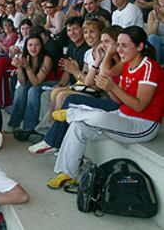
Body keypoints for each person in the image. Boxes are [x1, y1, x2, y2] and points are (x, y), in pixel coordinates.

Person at [47, 26, 164, 188]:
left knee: (98, 117)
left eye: (124, 45)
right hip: (123, 115)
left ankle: (72, 113)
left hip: (143, 124)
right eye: (118, 45)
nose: (119, 49)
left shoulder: (150, 68)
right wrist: (109, 52)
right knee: (78, 126)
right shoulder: (126, 63)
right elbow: (106, 72)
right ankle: (68, 174)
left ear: (139, 47)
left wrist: (114, 88)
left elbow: (139, 106)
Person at [29, 25, 124, 154]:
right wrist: (98, 61)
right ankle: (53, 136)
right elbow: (89, 80)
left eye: (106, 41)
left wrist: (78, 70)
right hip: (103, 94)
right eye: (102, 41)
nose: (102, 45)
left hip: (112, 101)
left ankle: (54, 140)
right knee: (56, 93)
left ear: (117, 42)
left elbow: (94, 83)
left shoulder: (118, 61)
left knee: (68, 98)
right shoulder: (104, 57)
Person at [5, 34, 55, 140]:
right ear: (26, 47)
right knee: (21, 89)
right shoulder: (25, 57)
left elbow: (36, 83)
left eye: (37, 45)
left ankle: (29, 128)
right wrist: (19, 68)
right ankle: (14, 124)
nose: (33, 48)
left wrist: (27, 67)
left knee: (33, 90)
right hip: (36, 83)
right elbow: (23, 82)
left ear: (41, 46)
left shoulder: (47, 59)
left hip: (50, 83)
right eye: (30, 45)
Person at [147, 0, 164, 64]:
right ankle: (155, 67)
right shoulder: (152, 14)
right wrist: (157, 20)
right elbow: (150, 35)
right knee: (152, 37)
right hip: (158, 48)